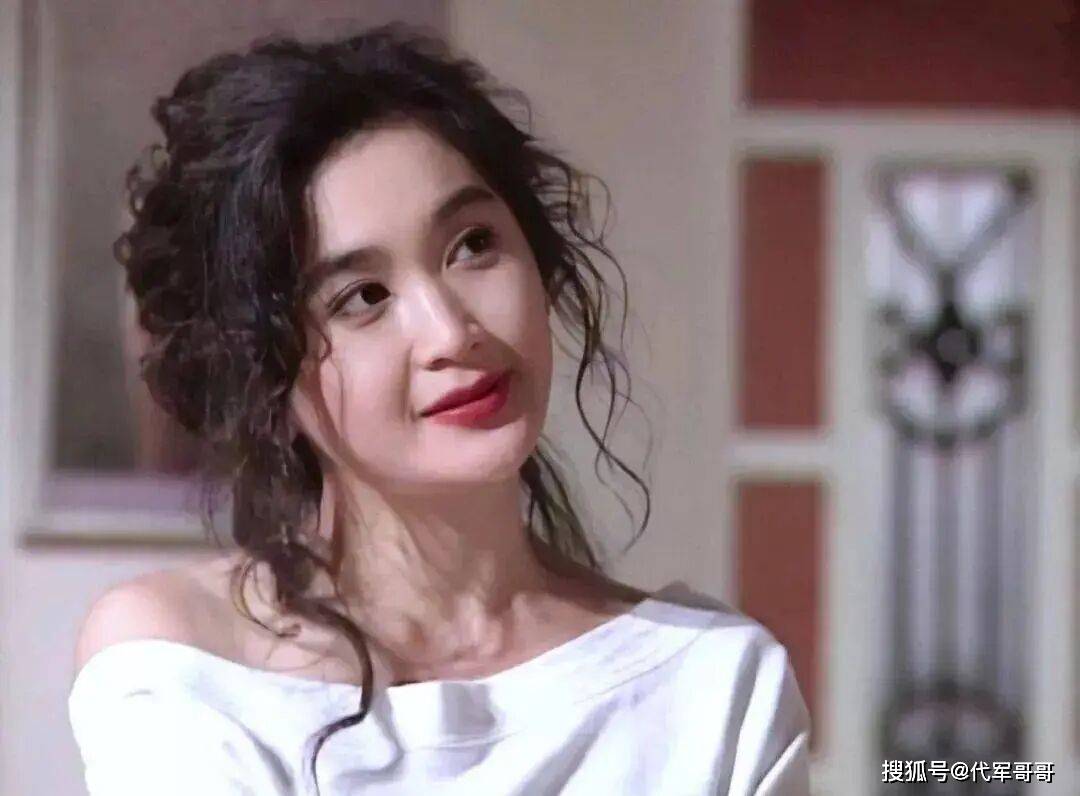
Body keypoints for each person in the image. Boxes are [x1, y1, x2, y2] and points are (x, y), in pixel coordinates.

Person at [67, 23, 811, 796]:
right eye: (363, 297)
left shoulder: (711, 689)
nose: (452, 332)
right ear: (263, 379)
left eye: (472, 245)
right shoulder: (187, 665)